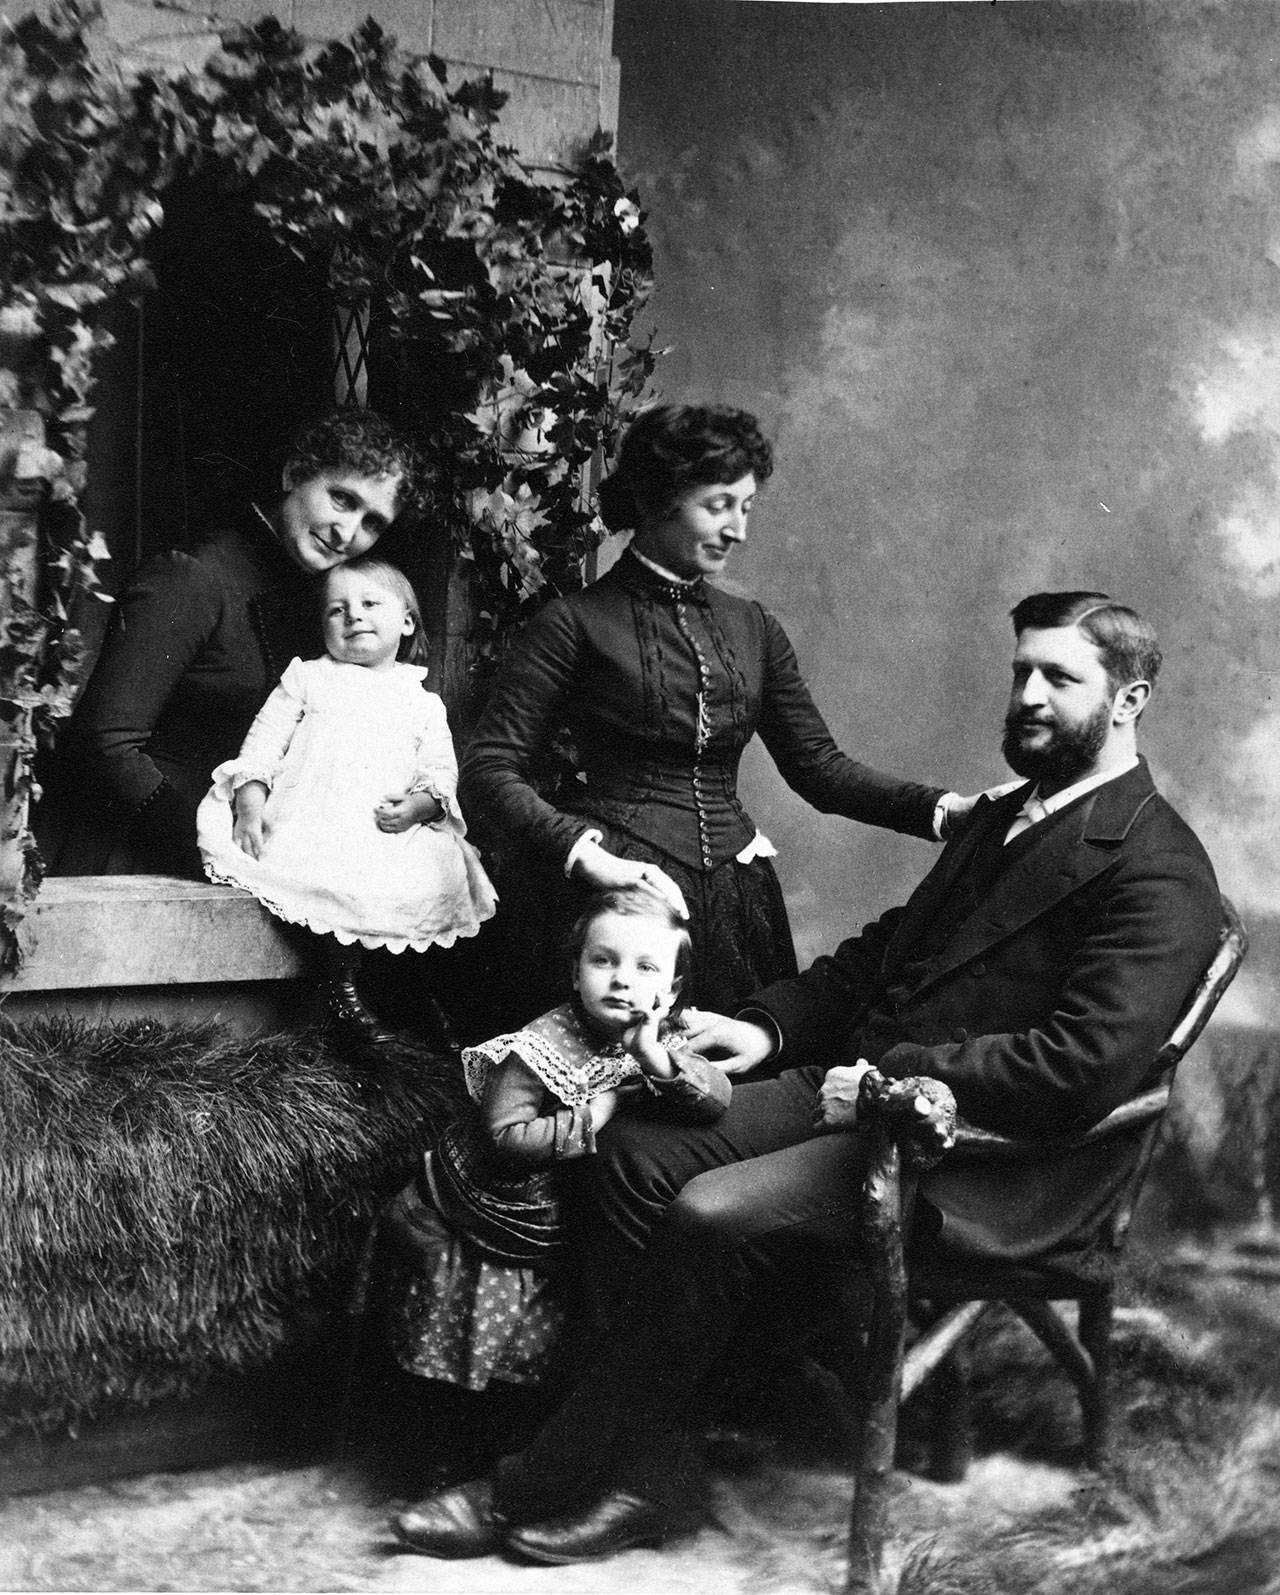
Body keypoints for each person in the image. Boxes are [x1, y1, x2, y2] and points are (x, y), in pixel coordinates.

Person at [390, 590, 1223, 1564]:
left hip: (979, 1155)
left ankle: (536, 1479)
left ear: (1126, 700)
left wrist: (884, 1075)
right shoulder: (1009, 815)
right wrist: (765, 1025)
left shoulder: (1156, 867)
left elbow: (1077, 1068)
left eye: (1058, 678)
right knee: (626, 1145)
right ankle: (650, 1474)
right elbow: (882, 953)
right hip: (859, 1094)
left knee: (708, 1210)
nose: (1027, 695)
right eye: (1020, 672)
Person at [460, 403, 980, 1023]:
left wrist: (947, 812)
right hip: (613, 898)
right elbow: (489, 769)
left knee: (725, 1092)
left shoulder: (752, 627)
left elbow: (818, 767)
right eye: (719, 505)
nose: (738, 528)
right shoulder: (572, 624)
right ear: (659, 501)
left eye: (747, 507)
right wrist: (588, 856)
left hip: (737, 904)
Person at [383, 887, 730, 1402]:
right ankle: (456, 1419)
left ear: (672, 989)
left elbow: (714, 1100)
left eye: (646, 968)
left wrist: (655, 1059)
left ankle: (535, 1412)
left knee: (568, 1331)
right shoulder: (538, 1049)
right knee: (489, 1332)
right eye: (603, 960)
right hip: (506, 1210)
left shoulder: (662, 1035)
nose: (622, 980)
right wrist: (597, 1112)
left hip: (582, 1208)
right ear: (575, 972)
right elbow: (505, 1137)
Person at [53, 409, 419, 878]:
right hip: (136, 857)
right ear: (294, 473)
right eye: (342, 500)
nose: (347, 534)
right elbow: (104, 744)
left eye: (372, 523)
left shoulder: (327, 605)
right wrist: (215, 839)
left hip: (246, 870)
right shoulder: (194, 575)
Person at [195, 557, 496, 1045]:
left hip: (387, 828)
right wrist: (250, 807)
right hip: (315, 819)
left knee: (435, 872)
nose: (353, 616)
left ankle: (412, 990)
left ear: (406, 620)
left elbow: (440, 771)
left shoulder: (421, 700)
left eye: (369, 603)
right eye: (337, 610)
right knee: (329, 878)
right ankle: (341, 988)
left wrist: (420, 807)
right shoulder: (308, 678)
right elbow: (262, 745)